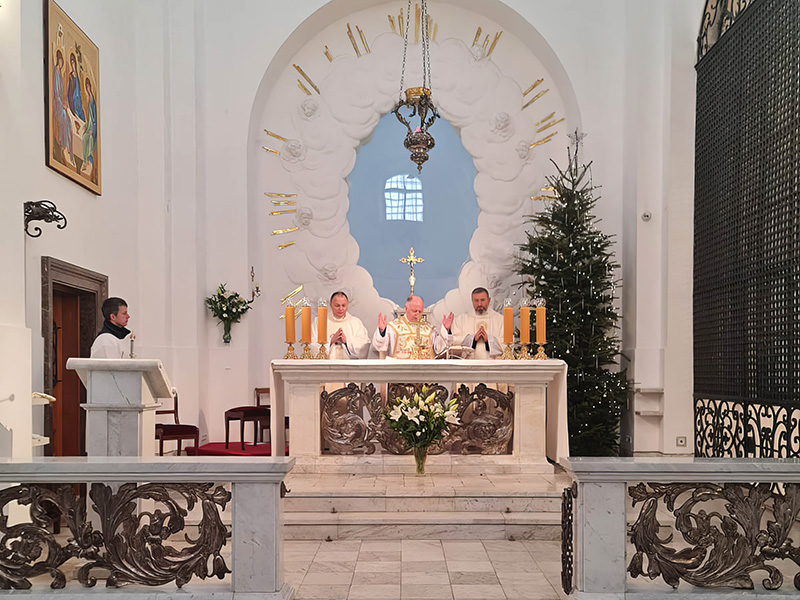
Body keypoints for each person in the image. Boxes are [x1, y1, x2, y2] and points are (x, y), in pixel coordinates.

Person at [372, 296, 453, 359]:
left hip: (425, 372)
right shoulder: (393, 327)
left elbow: (440, 348)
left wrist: (445, 329)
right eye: (414, 311)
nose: (417, 314)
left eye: (420, 311)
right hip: (400, 372)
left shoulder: (429, 329)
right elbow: (380, 346)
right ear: (406, 308)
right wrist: (382, 332)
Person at [311, 291, 369, 359]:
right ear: (331, 305)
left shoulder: (355, 322)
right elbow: (312, 345)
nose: (341, 309)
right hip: (327, 365)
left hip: (348, 365)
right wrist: (331, 341)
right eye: (337, 305)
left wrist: (347, 341)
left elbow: (364, 345)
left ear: (347, 305)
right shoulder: (319, 322)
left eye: (343, 305)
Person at [451, 287, 504, 359]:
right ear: (472, 301)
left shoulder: (500, 320)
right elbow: (454, 344)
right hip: (469, 365)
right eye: (476, 301)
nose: (479, 304)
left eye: (482, 300)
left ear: (489, 300)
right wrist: (472, 339)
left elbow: (507, 345)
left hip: (493, 364)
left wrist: (488, 340)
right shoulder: (460, 320)